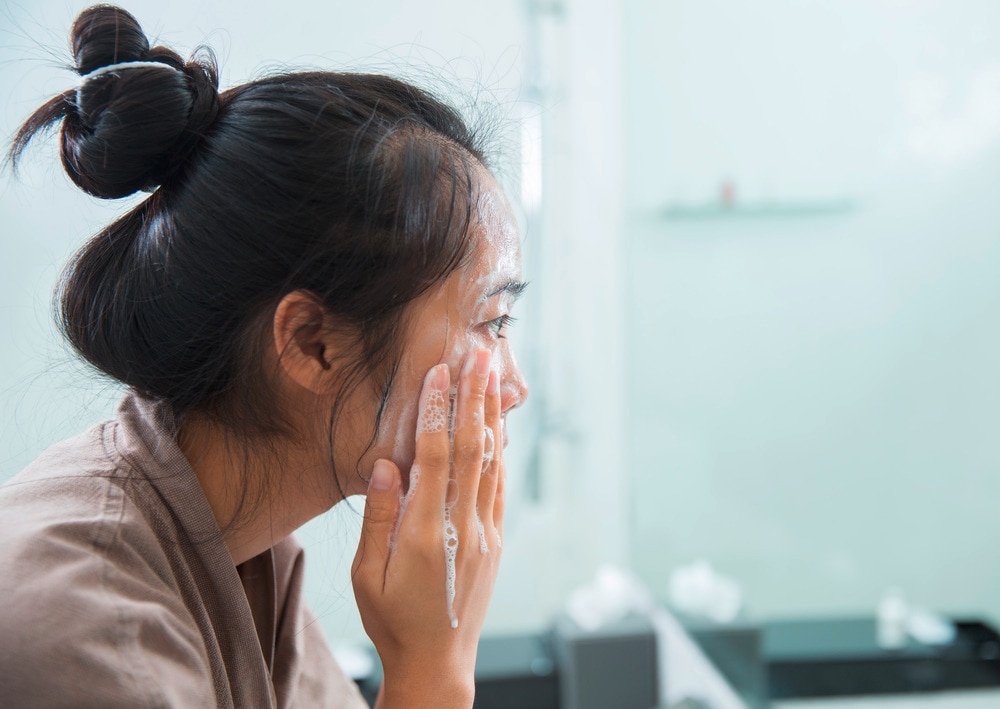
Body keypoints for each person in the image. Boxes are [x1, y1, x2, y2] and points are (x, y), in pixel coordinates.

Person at [0, 4, 529, 708]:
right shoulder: (86, 629)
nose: (513, 386)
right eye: (492, 321)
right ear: (313, 343)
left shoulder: (248, 550)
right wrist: (432, 669)